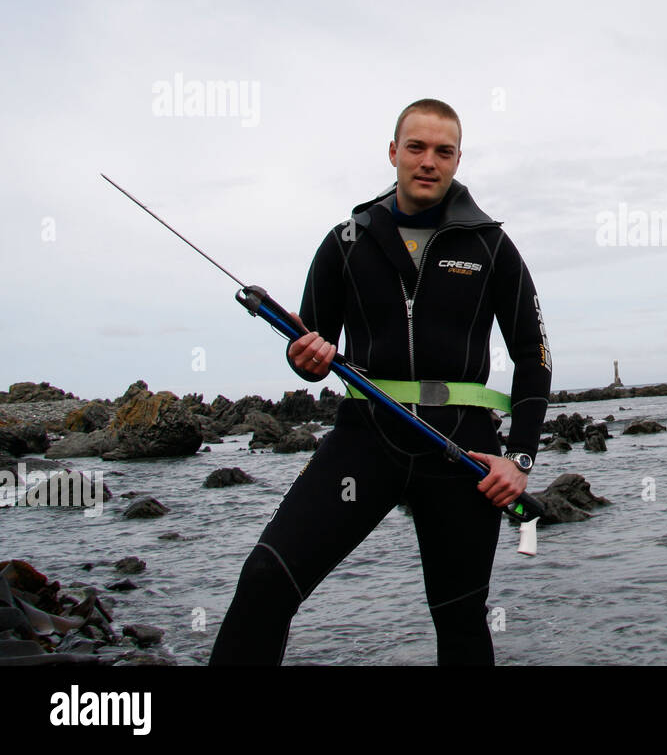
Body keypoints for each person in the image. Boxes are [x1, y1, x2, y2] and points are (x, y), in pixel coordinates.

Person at [210, 98, 551, 665]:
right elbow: (307, 347)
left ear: (458, 160)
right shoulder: (346, 241)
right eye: (416, 147)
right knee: (267, 578)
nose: (428, 161)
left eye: (443, 151)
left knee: (462, 619)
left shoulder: (492, 246)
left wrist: (518, 460)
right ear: (393, 152)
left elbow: (533, 360)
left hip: (462, 450)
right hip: (366, 438)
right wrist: (307, 357)